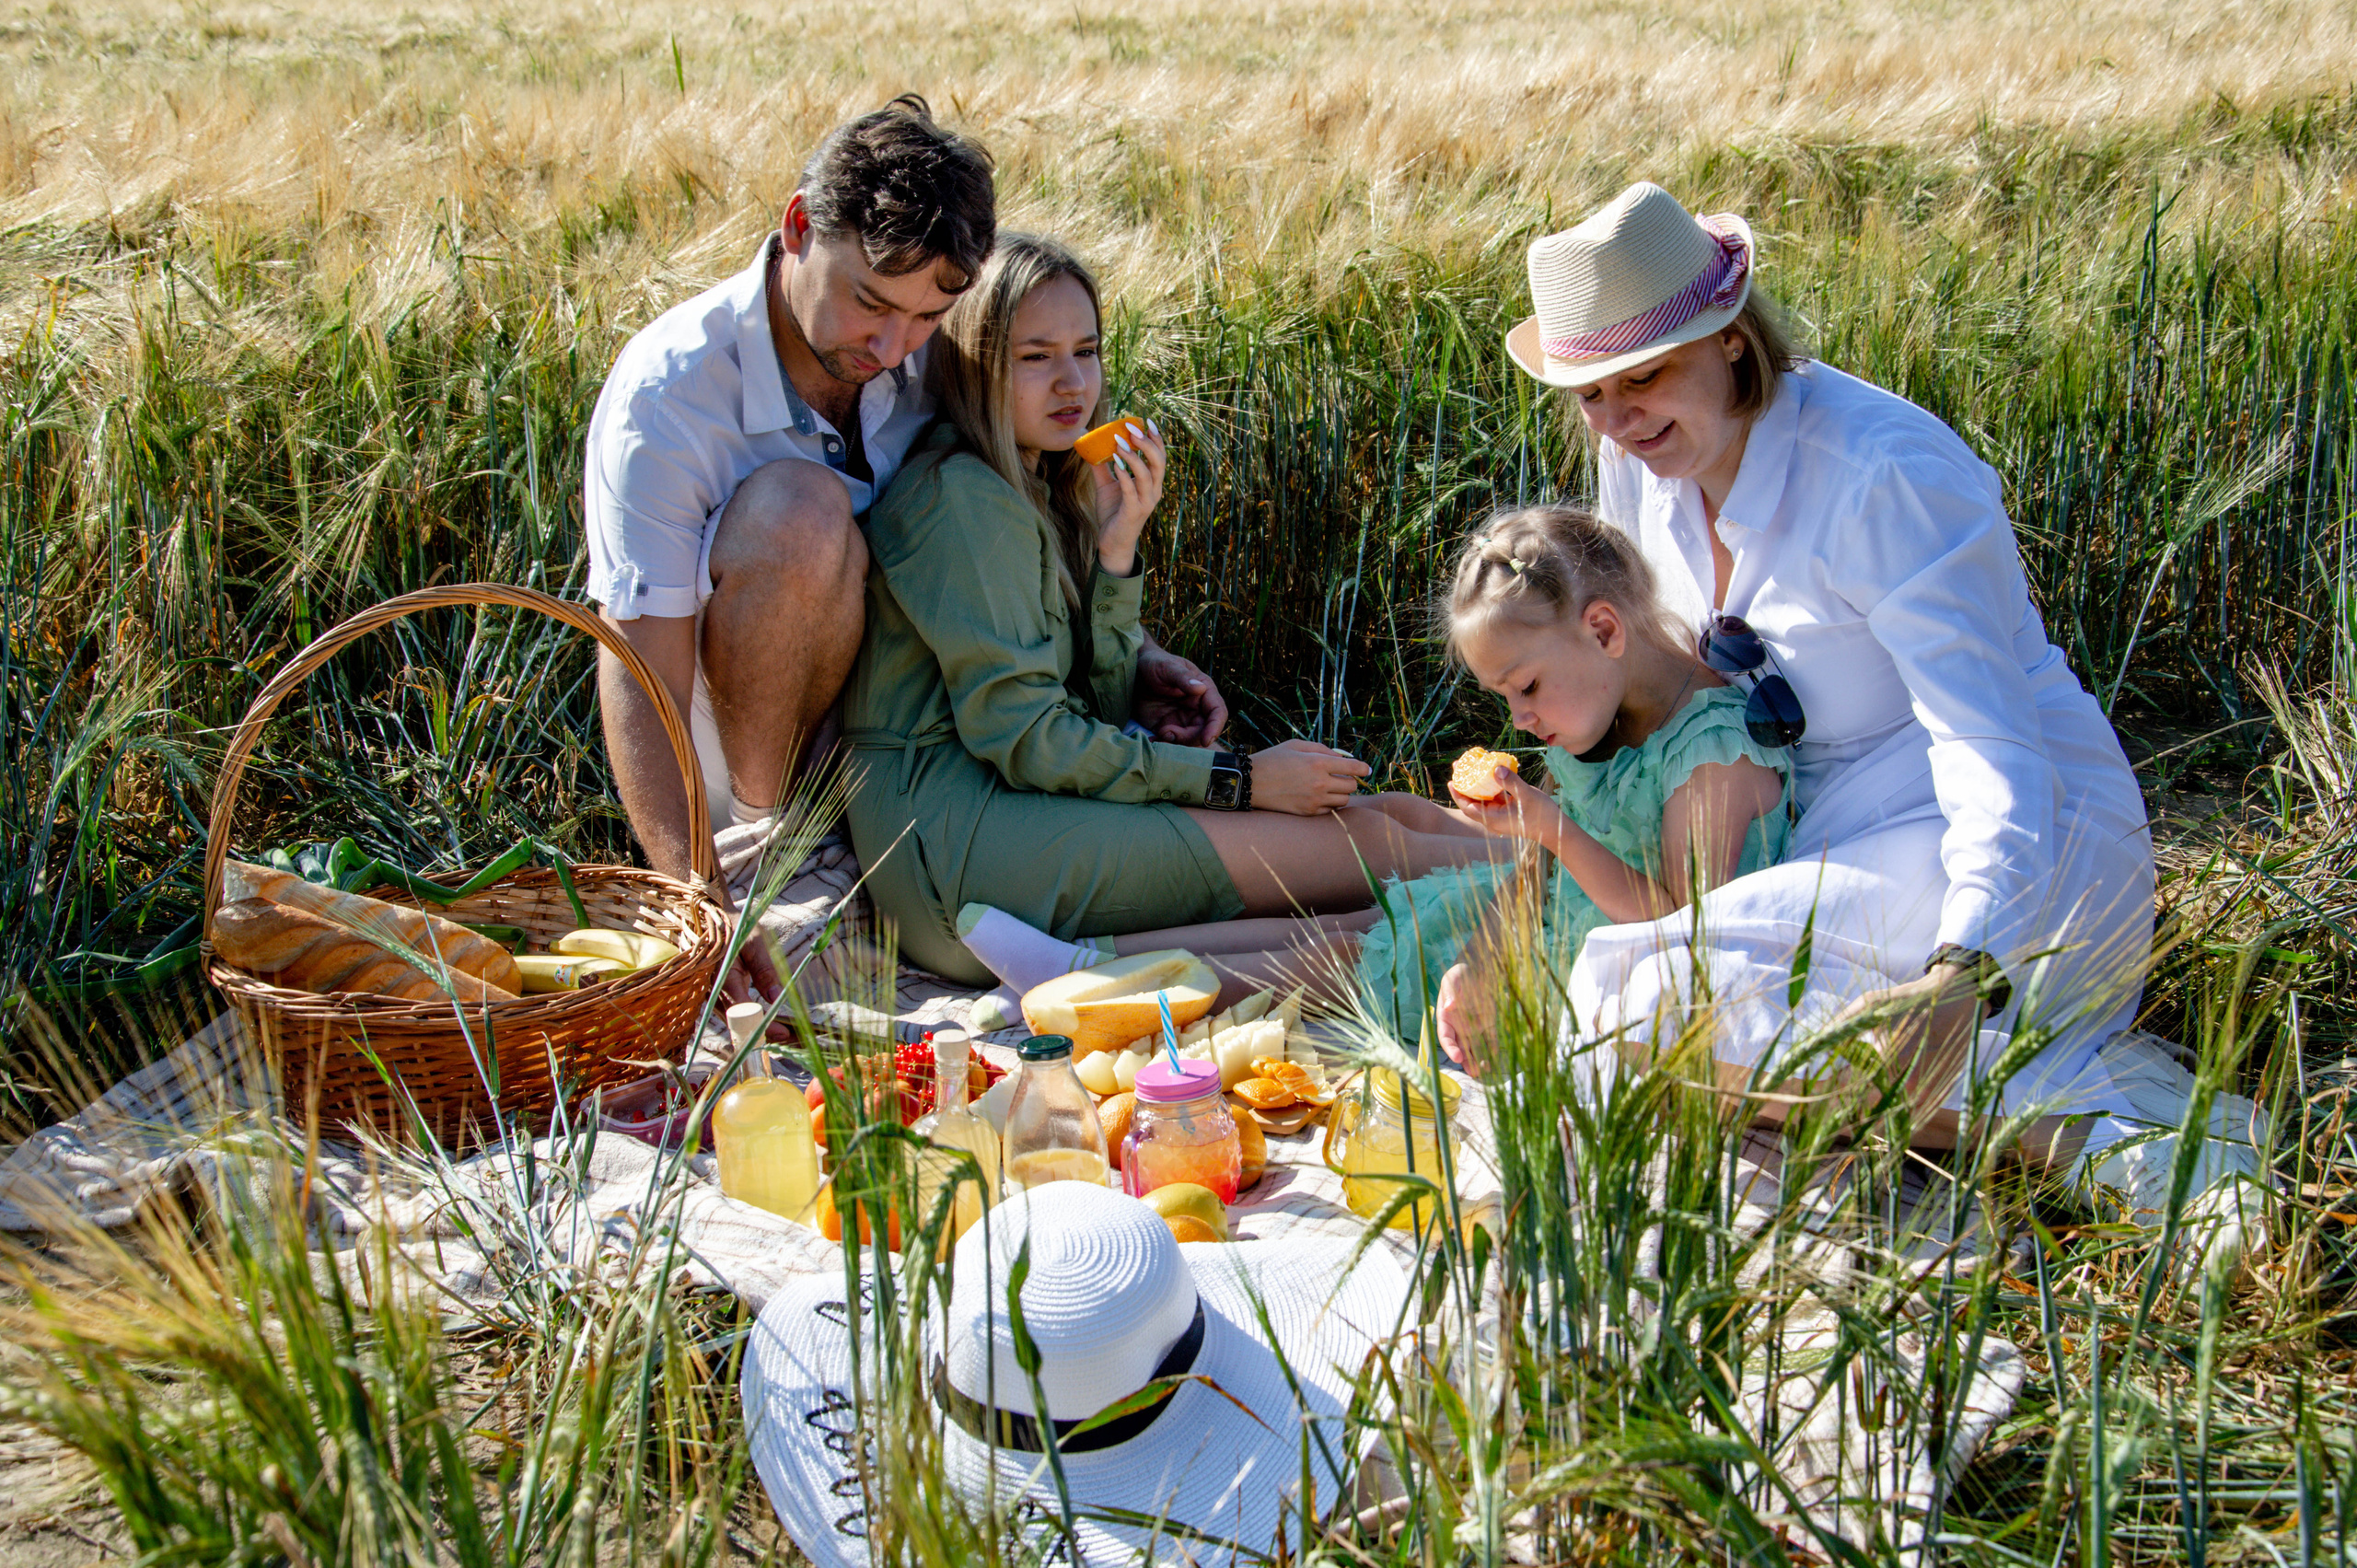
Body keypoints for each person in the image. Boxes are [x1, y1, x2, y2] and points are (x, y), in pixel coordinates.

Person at [1452, 180, 2259, 1215]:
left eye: (1641, 376)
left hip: (2006, 838)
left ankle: (2107, 1133)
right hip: (1819, 835)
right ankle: (2070, 1105)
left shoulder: (1886, 473)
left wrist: (1962, 969)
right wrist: (1499, 935)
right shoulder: (1637, 460)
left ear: (1732, 337)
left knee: (1631, 996)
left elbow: (1990, 745)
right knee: (1613, 1010)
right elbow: (1627, 703)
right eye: (1589, 394)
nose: (1613, 420)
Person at [583, 98, 1229, 1013]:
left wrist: (1142, 648)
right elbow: (635, 666)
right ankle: (777, 861)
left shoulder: (926, 354)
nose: (892, 347)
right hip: (739, 788)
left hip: (919, 769)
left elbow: (1001, 542)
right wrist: (700, 897)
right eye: (870, 303)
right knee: (801, 513)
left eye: (928, 316)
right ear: (799, 227)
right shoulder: (671, 397)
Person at [841, 234, 1504, 989]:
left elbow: (1093, 704)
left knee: (1393, 821)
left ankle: (1576, 869)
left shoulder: (1034, 483)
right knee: (1375, 848)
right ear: (976, 363)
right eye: (1035, 357)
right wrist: (1239, 779)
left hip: (1008, 819)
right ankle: (1601, 872)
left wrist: (1117, 547)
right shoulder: (962, 497)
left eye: (1086, 351)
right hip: (951, 853)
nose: (1072, 384)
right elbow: (1028, 738)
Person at [954, 504, 1794, 1042]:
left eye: (1526, 687)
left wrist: (1550, 830)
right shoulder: (1605, 712)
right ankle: (1089, 955)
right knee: (1369, 918)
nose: (1521, 719)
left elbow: (1686, 927)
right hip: (1539, 933)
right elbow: (1534, 876)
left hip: (1595, 980)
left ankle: (1094, 990)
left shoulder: (1712, 755)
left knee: (1341, 957)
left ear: (1605, 631)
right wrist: (1485, 949)